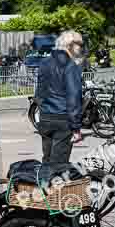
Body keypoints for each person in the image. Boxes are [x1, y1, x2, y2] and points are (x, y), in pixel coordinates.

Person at [35, 30, 85, 164]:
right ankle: (51, 183)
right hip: (63, 119)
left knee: (46, 160)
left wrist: (44, 109)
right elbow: (73, 97)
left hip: (45, 117)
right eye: (79, 44)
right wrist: (76, 128)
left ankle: (44, 184)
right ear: (70, 45)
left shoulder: (45, 63)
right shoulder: (70, 66)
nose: (80, 48)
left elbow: (39, 93)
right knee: (58, 164)